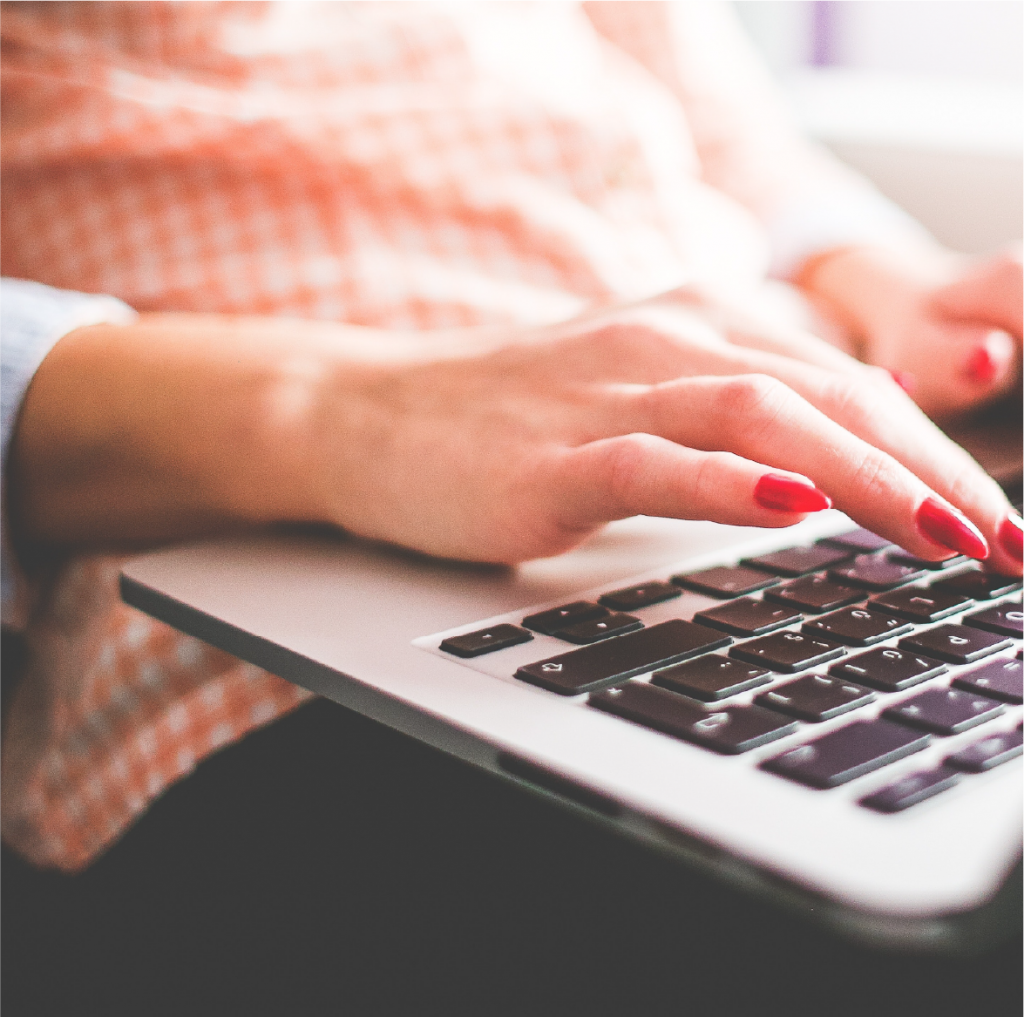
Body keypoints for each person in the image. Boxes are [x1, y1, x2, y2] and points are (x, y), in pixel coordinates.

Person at [2, 3, 1024, 1002]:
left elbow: (733, 142)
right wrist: (345, 411)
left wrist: (895, 289)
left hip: (813, 474)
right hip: (289, 658)